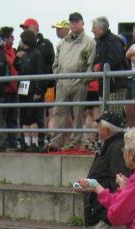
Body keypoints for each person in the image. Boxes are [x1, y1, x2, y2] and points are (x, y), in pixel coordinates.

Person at [48, 12, 96, 151]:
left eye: (76, 21)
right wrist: (58, 76)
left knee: (78, 114)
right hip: (62, 82)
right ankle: (55, 142)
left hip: (79, 82)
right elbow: (56, 63)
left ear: (82, 23)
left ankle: (75, 141)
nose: (74, 24)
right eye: (72, 22)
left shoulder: (90, 42)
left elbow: (91, 64)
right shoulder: (62, 43)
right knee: (59, 112)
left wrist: (84, 80)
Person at [14, 29, 46, 151]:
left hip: (32, 89)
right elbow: (17, 67)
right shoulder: (23, 54)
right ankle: (26, 143)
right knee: (24, 117)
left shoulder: (36, 54)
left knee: (33, 117)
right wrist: (17, 58)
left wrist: (38, 90)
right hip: (23, 88)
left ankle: (35, 143)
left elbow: (40, 73)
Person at [91, 17, 128, 116]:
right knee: (105, 115)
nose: (92, 30)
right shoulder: (100, 42)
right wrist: (95, 65)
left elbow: (115, 59)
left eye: (94, 28)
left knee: (114, 115)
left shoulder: (113, 40)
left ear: (101, 28)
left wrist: (100, 65)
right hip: (104, 84)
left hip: (115, 85)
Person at [0, 27, 21, 151]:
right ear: (5, 38)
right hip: (5, 89)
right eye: (11, 37)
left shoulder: (14, 52)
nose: (13, 39)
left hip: (14, 89)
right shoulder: (0, 52)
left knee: (13, 117)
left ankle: (12, 141)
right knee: (4, 116)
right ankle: (5, 141)